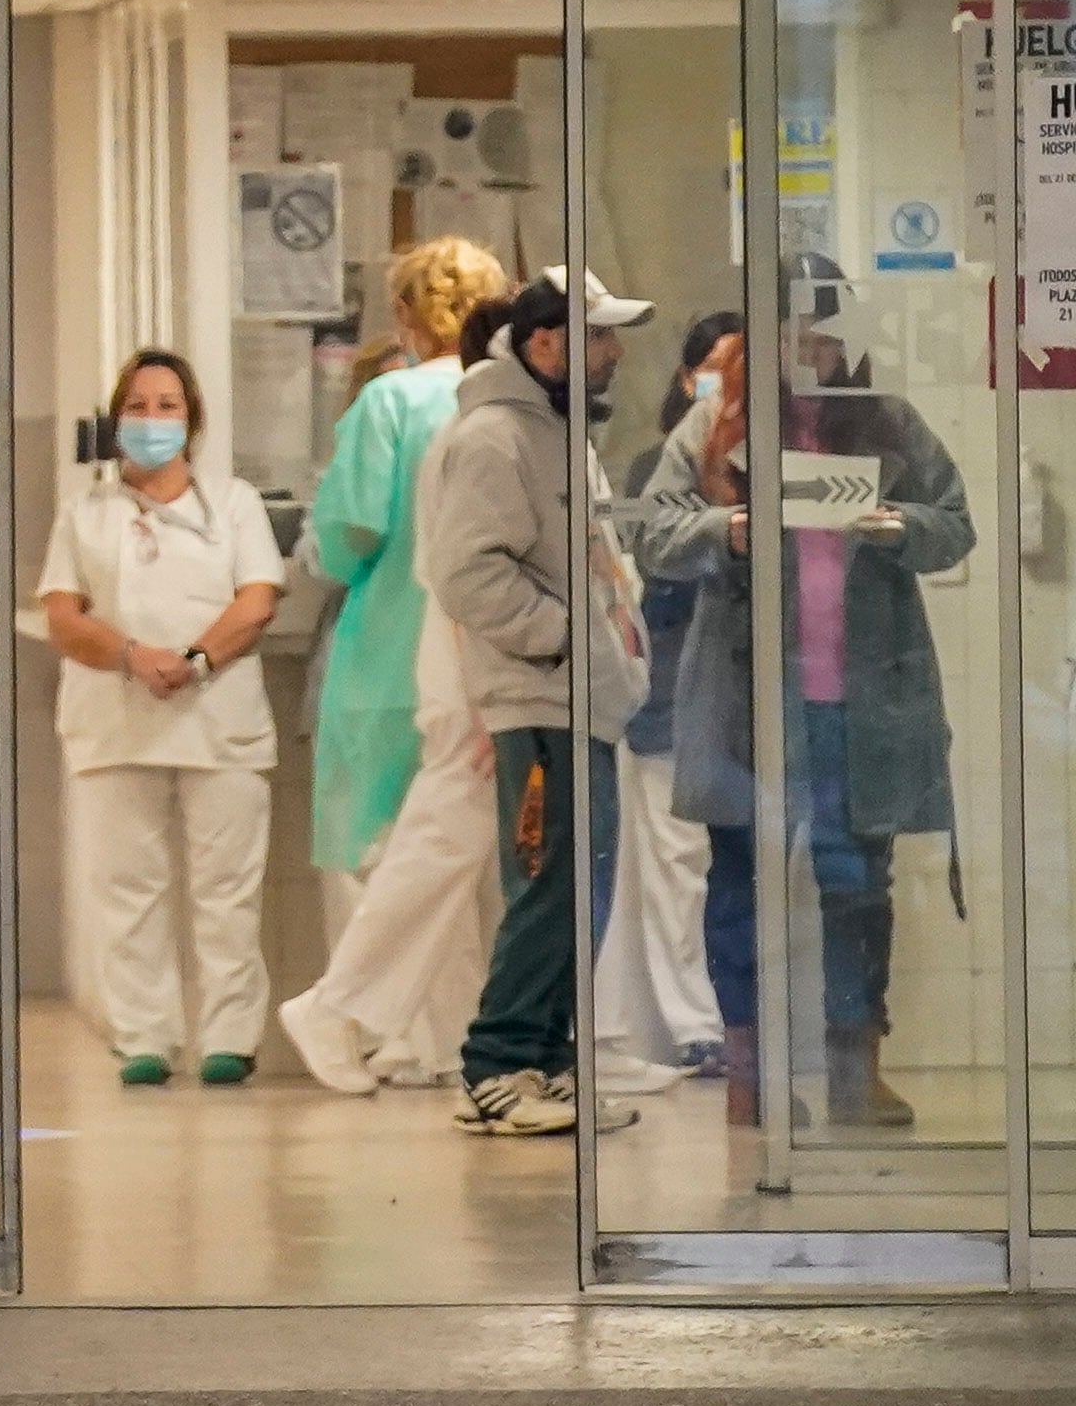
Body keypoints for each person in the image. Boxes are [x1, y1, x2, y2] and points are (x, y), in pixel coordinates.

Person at [630, 257, 973, 1131]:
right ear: (764, 338)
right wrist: (732, 531)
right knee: (741, 882)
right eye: (792, 333)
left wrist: (898, 527)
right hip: (750, 701)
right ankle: (747, 1077)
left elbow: (954, 524)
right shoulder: (713, 426)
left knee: (857, 884)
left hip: (859, 702)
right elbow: (657, 536)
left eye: (824, 333)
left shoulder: (890, 424)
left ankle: (856, 1064)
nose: (809, 349)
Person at [425, 269, 656, 1136]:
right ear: (544, 343)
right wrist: (560, 636)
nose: (614, 352)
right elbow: (466, 574)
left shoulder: (560, 435)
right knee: (548, 885)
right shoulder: (492, 440)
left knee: (580, 888)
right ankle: (495, 1065)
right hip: (540, 699)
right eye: (598, 336)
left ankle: (548, 1058)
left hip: (582, 696)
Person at [280, 278, 521, 1095]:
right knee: (449, 849)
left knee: (419, 850)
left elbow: (348, 536)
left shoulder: (398, 402)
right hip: (466, 654)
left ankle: (433, 1038)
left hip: (393, 651)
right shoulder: (493, 411)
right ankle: (416, 1032)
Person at [38, 348, 288, 1086]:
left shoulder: (233, 504)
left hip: (219, 722)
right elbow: (62, 614)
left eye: (167, 406)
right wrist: (130, 655)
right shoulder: (84, 516)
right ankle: (143, 1036)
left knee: (226, 892)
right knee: (127, 889)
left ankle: (229, 1038)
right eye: (138, 407)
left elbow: (257, 600)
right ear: (117, 421)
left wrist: (197, 659)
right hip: (115, 721)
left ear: (193, 420)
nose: (152, 421)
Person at [296, 237, 516, 920]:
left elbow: (346, 538)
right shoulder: (518, 405)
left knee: (384, 875)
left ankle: (389, 1030)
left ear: (404, 313)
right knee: (483, 884)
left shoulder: (390, 402)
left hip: (388, 671)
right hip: (495, 673)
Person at [591, 311, 740, 1079]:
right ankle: (695, 1026)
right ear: (687, 380)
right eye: (712, 368)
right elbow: (648, 578)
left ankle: (734, 1020)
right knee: (678, 866)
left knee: (733, 870)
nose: (723, 385)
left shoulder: (781, 462)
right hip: (672, 693)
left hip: (745, 700)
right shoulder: (656, 467)